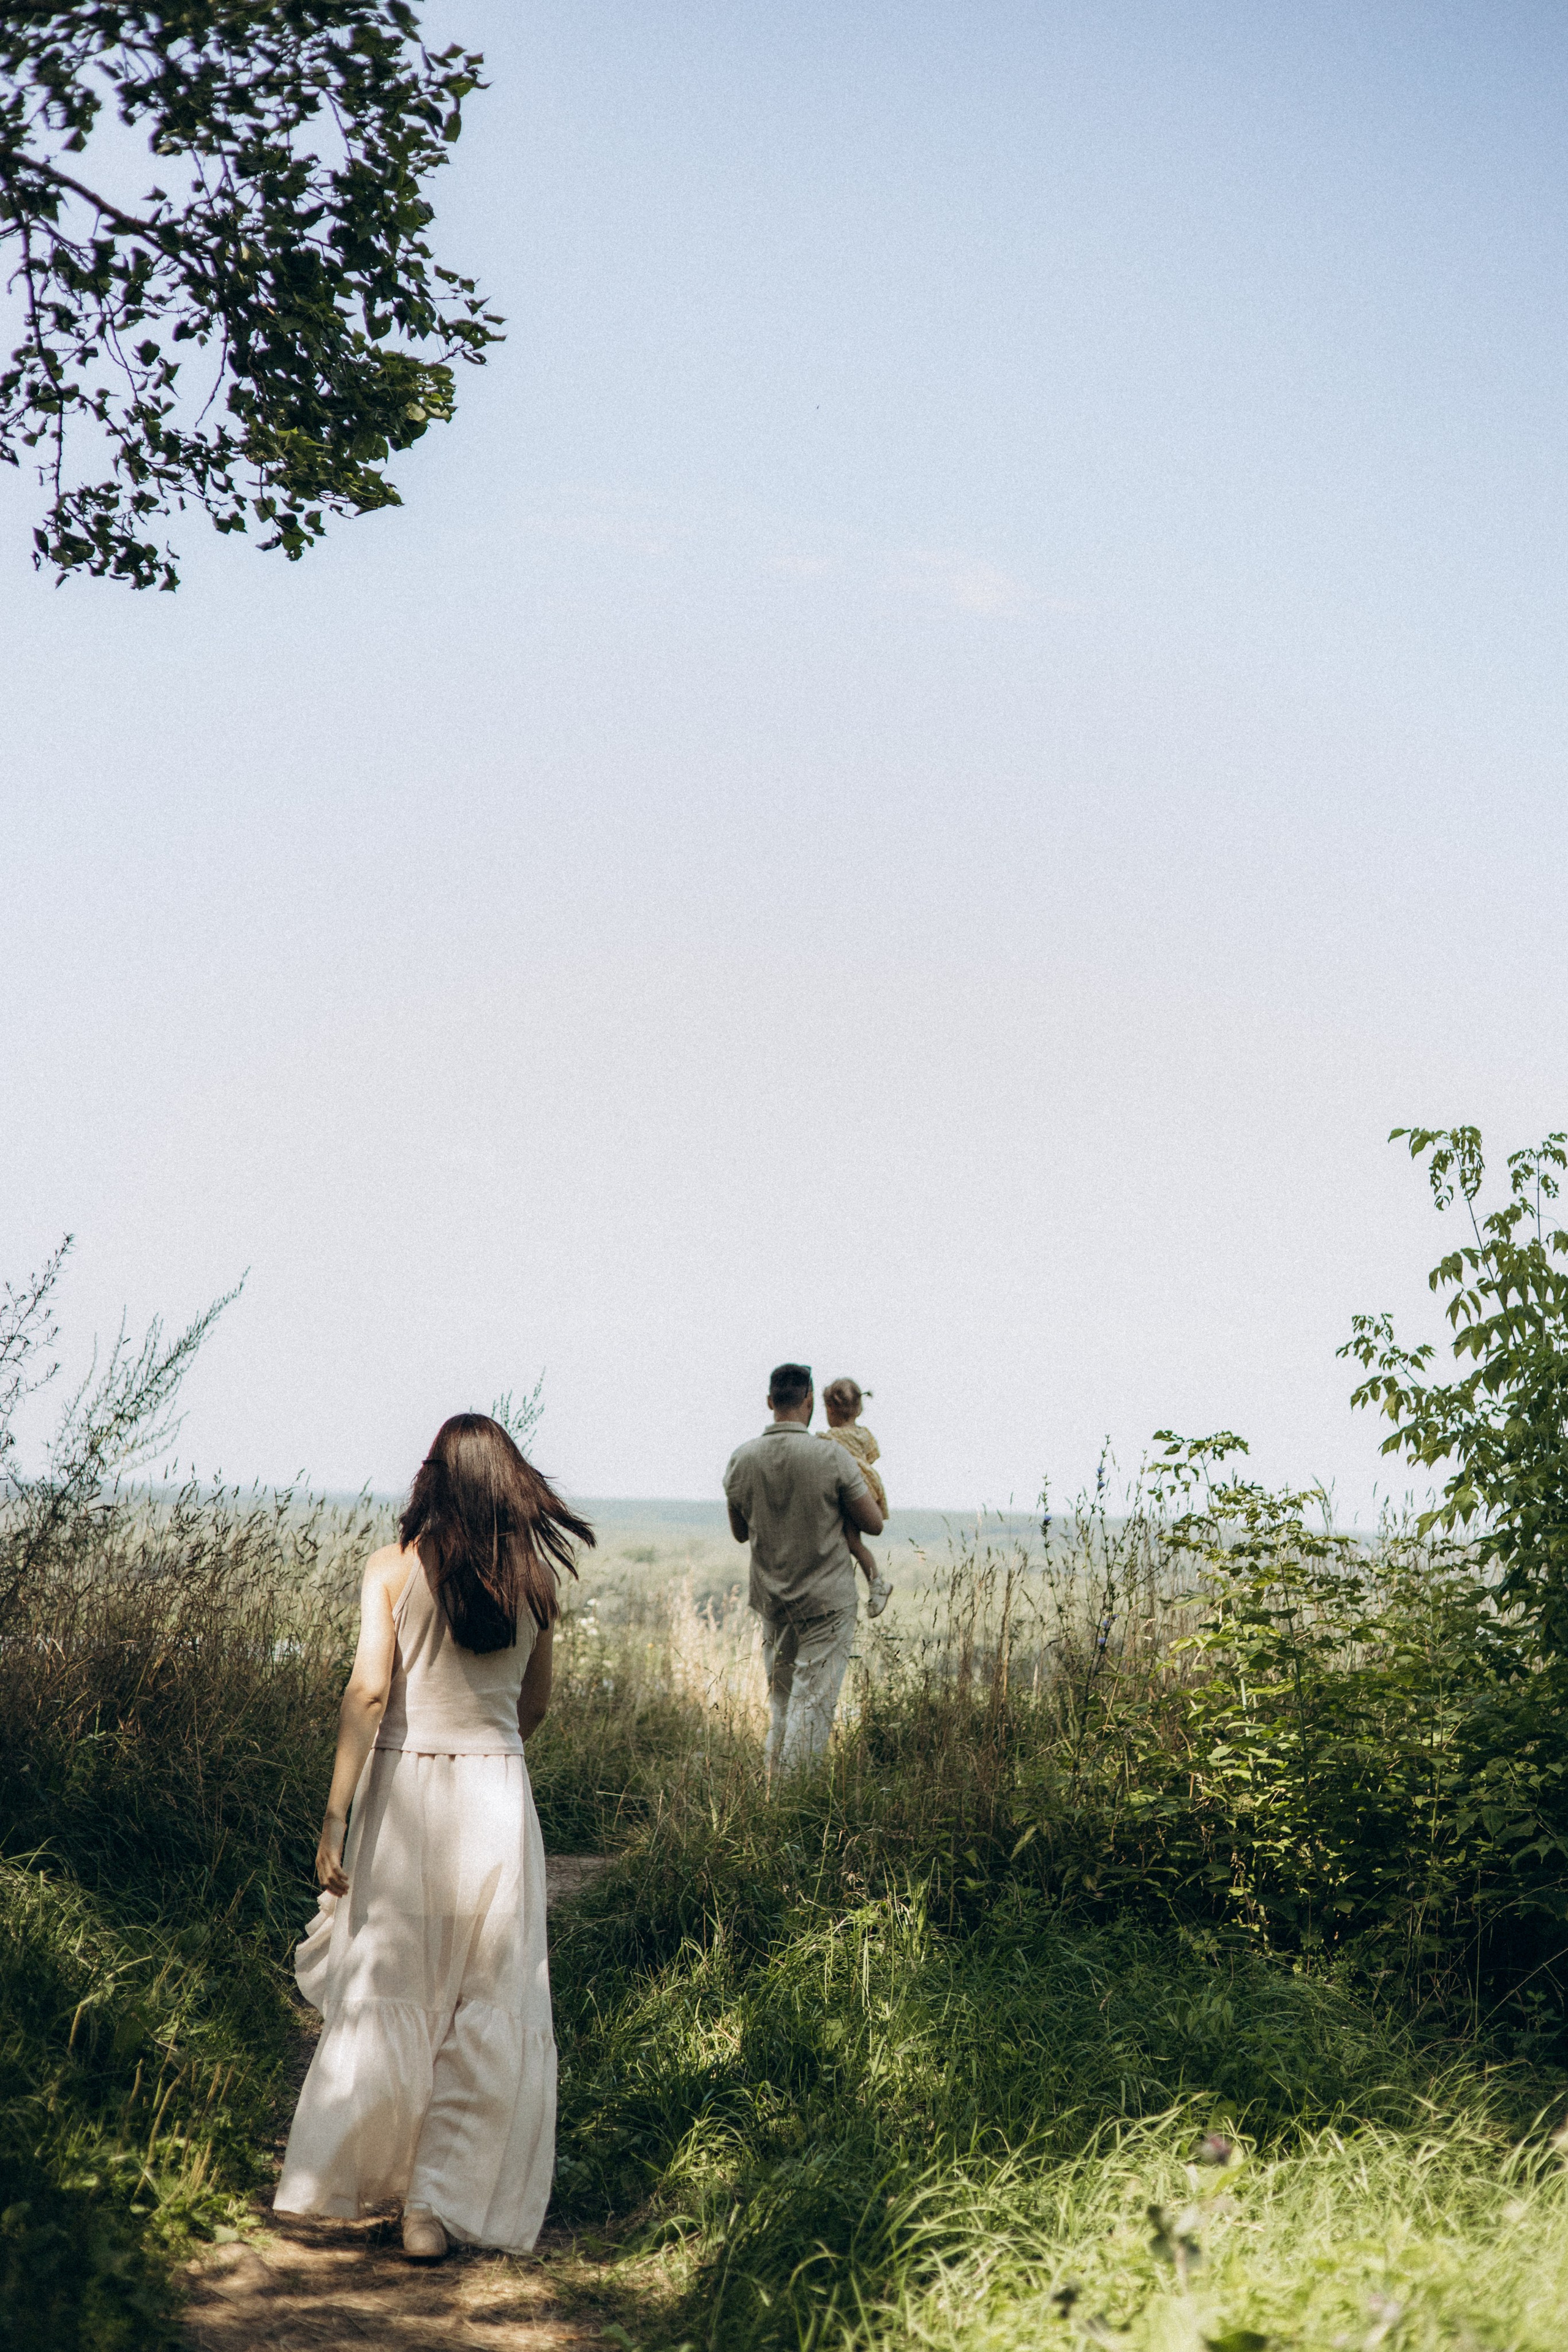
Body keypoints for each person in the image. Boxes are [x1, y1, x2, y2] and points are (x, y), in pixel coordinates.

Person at [274, 1414, 594, 2262]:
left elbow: (368, 1694)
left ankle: (354, 2176)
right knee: (484, 1999)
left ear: (433, 1482)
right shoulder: (535, 1587)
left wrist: (335, 1813)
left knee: (395, 1982)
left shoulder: (390, 1570)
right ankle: (433, 2209)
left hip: (408, 1799)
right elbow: (534, 1709)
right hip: (496, 1796)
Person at [723, 1362, 884, 1779]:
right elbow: (873, 1523)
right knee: (812, 1706)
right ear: (809, 1400)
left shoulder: (741, 1460)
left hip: (774, 1602)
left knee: (781, 1703)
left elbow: (740, 1532)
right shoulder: (831, 1456)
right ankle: (792, 1809)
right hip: (828, 1602)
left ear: (769, 1401)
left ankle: (772, 1793)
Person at [817, 1375, 894, 1619]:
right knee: (854, 1541)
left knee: (852, 1541)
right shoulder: (865, 1434)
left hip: (854, 1488)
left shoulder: (832, 1437)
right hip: (870, 1486)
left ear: (831, 1409)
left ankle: (878, 1585)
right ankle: (876, 1583)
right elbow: (873, 1456)